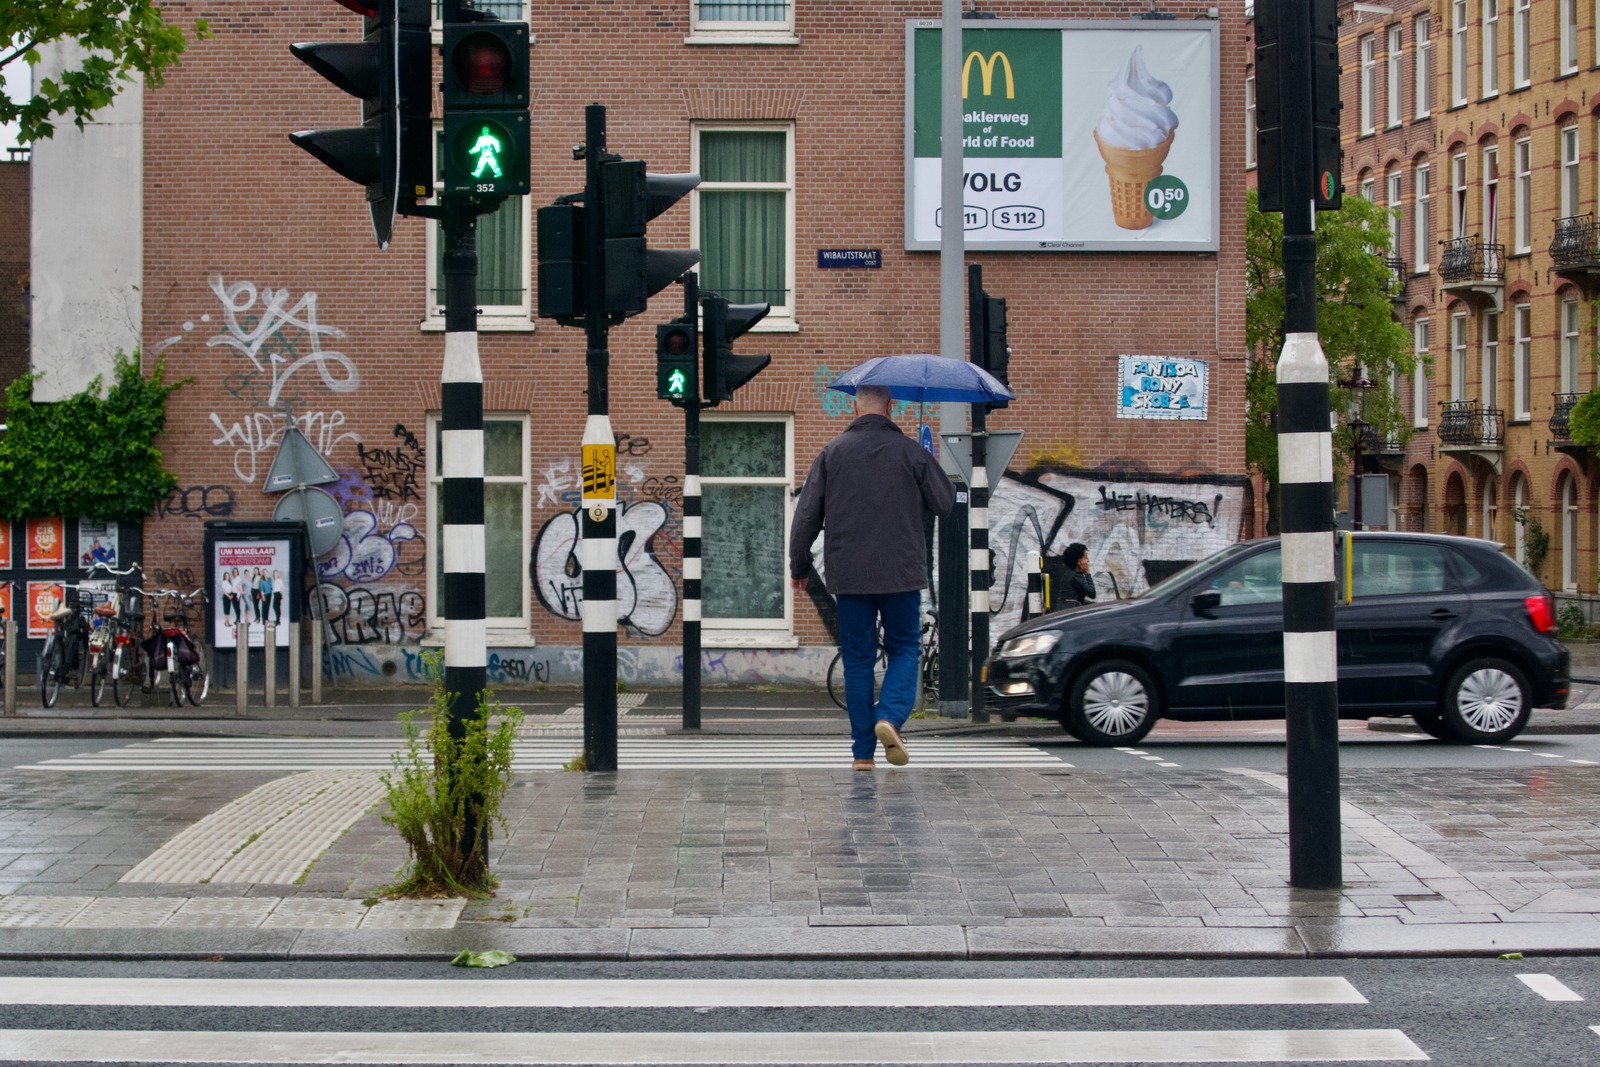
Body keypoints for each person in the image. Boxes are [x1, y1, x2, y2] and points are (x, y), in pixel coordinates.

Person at [789, 385, 955, 770]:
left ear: (855, 407)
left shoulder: (832, 453)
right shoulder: (911, 452)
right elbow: (945, 503)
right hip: (901, 573)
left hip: (850, 575)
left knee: (858, 659)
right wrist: (926, 461)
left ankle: (863, 753)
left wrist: (799, 567)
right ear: (891, 406)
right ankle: (890, 717)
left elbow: (806, 516)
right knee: (905, 648)